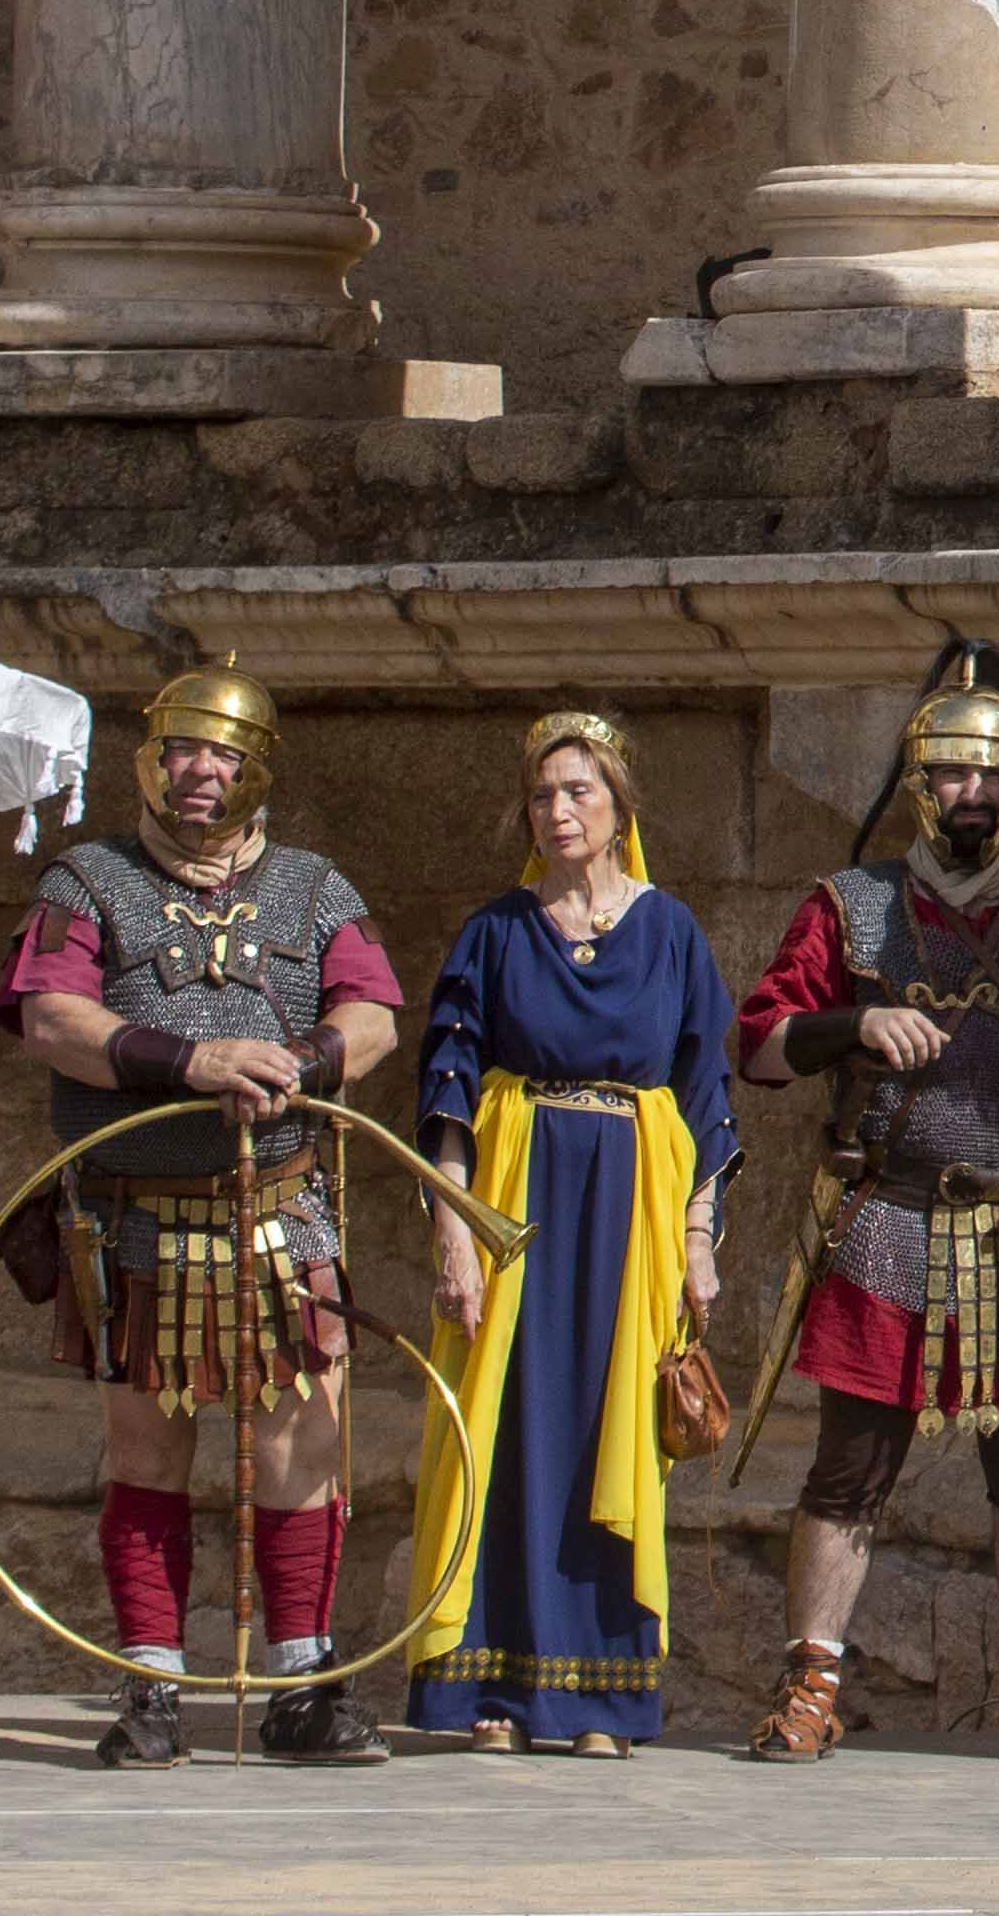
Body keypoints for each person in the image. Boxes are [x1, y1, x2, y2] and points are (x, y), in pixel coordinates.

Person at [735, 640, 999, 1767]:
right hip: (890, 1220)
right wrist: (855, 1024)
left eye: (986, 777)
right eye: (946, 776)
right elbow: (764, 1049)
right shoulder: (852, 908)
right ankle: (810, 1685)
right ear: (921, 785)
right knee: (848, 1472)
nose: (967, 795)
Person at [0, 664, 407, 1768]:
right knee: (147, 1446)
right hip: (137, 1213)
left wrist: (305, 1060)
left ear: (255, 769)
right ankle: (153, 1690)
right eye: (181, 748)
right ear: (151, 759)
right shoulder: (88, 880)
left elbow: (374, 1016)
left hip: (280, 1207)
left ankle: (303, 1687)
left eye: (221, 753)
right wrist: (191, 1061)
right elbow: (49, 1018)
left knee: (303, 1446)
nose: (199, 771)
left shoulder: (316, 887)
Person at [405, 713, 737, 1757]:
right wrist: (456, 1238)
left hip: (630, 1212)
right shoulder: (495, 931)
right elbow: (448, 1089)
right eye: (545, 794)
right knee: (504, 1429)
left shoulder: (671, 931)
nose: (559, 811)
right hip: (515, 1199)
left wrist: (697, 1239)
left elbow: (705, 1095)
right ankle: (489, 1689)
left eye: (580, 792)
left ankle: (601, 1700)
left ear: (619, 805)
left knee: (611, 1430)